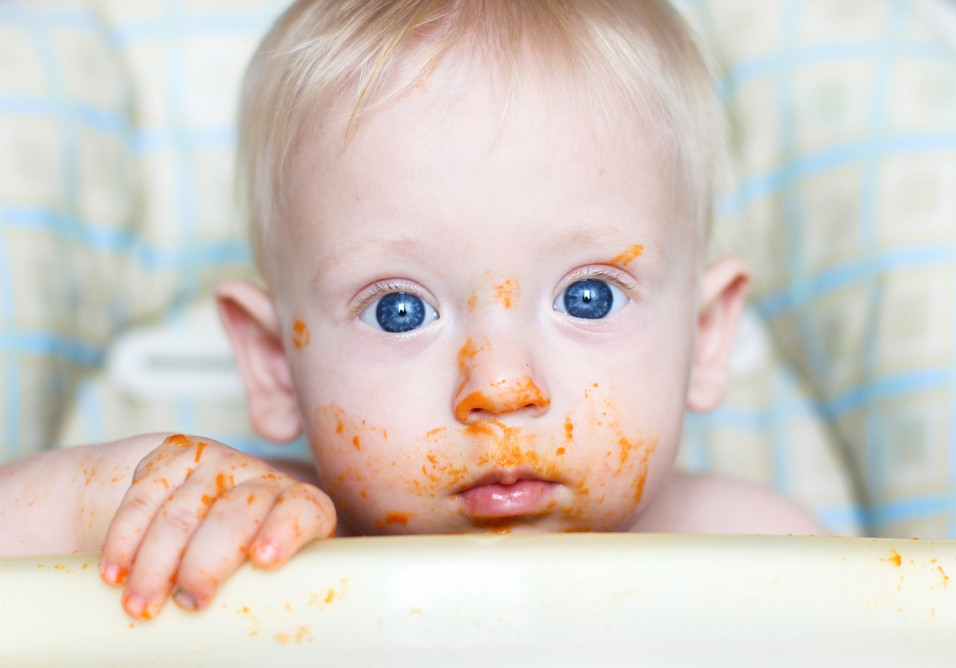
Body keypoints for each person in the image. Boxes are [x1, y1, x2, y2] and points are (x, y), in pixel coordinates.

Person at [0, 0, 824, 621]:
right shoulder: (261, 543)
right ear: (272, 363)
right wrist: (96, 504)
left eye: (589, 297)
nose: (500, 390)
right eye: (399, 310)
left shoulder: (770, 557)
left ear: (707, 336)